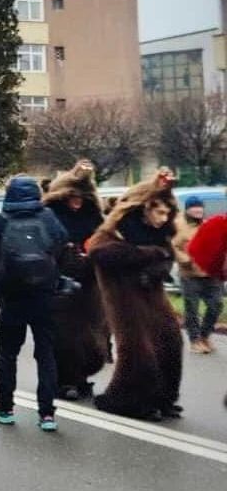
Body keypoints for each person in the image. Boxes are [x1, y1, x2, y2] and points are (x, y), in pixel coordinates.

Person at [90, 170, 183, 421]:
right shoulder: (116, 230)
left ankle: (163, 398)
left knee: (171, 342)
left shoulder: (160, 234)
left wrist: (157, 266)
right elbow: (99, 252)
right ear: (145, 208)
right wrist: (148, 254)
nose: (163, 219)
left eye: (167, 213)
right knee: (140, 351)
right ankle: (128, 401)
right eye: (159, 212)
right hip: (124, 299)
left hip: (153, 295)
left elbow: (167, 257)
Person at [0, 175, 67, 431]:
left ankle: (4, 408)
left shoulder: (0, 220)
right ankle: (47, 414)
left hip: (12, 297)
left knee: (8, 355)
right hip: (45, 296)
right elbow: (61, 240)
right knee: (46, 355)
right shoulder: (47, 216)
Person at [42, 161, 108, 398]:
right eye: (73, 196)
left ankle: (82, 376)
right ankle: (66, 380)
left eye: (82, 197)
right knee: (65, 335)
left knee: (92, 334)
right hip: (61, 281)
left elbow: (105, 241)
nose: (77, 201)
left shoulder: (95, 217)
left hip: (90, 283)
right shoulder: (51, 216)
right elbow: (45, 247)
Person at [173, 196, 223, 354]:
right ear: (187, 210)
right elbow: (172, 246)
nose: (198, 210)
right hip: (190, 274)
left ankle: (205, 336)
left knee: (216, 305)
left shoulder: (208, 224)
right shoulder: (179, 226)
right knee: (192, 309)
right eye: (194, 207)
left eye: (200, 207)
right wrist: (184, 259)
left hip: (212, 273)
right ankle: (194, 340)